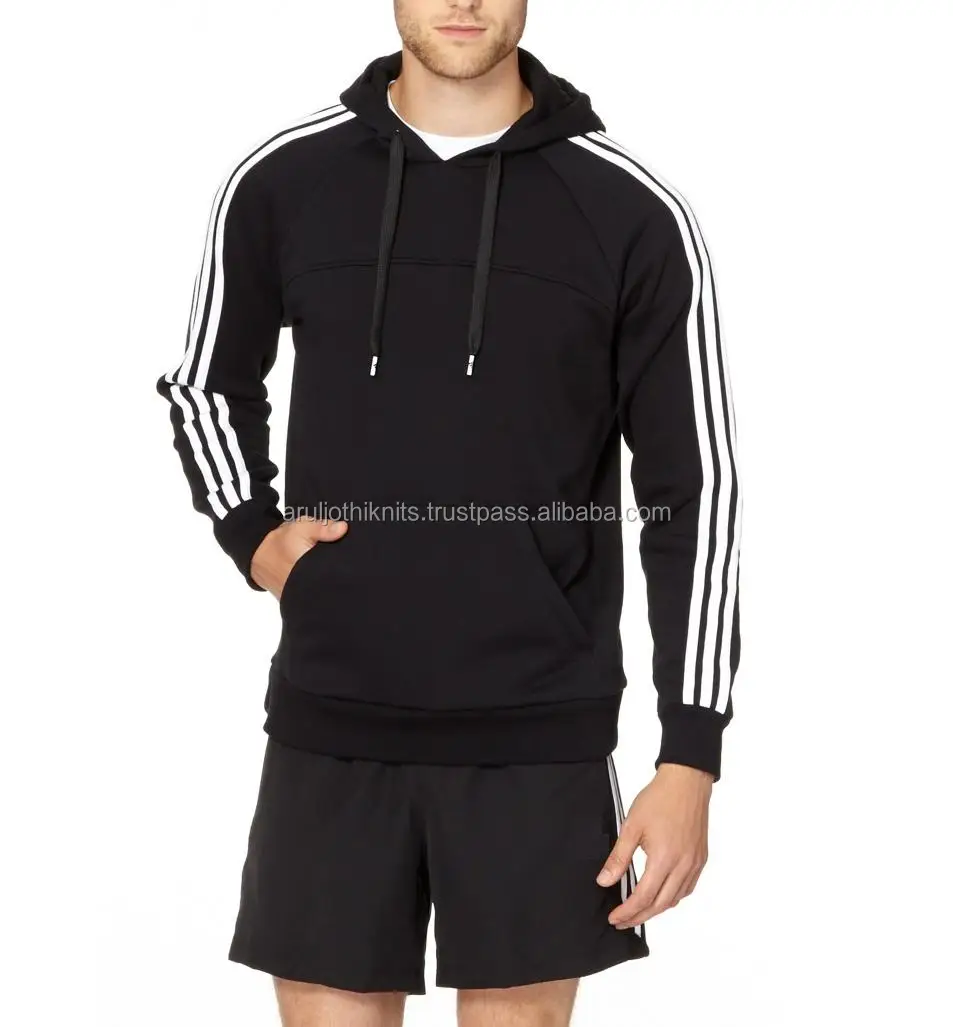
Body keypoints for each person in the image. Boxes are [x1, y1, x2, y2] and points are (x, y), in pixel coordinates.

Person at [155, 1, 742, 1023]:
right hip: (333, 718)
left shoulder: (629, 211)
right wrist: (254, 535)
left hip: (537, 735)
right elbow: (206, 385)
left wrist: (690, 752)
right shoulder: (287, 180)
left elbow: (694, 492)